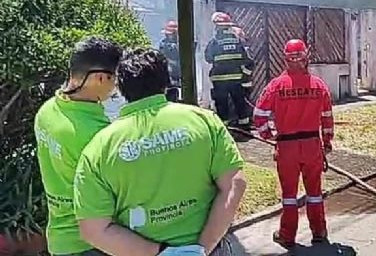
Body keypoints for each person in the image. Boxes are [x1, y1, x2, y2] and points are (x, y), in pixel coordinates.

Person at [74, 48, 247, 256]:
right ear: (166, 81)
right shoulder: (204, 121)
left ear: (120, 88)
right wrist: (201, 249)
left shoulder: (98, 148)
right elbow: (234, 184)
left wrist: (161, 253)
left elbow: (94, 230)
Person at [34, 37, 123, 256]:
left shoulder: (47, 111)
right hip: (94, 245)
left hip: (61, 240)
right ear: (101, 78)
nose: (116, 88)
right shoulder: (96, 133)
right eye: (116, 79)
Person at [252, 39, 334, 250]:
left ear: (285, 58)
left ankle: (287, 235)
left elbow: (259, 115)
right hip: (312, 145)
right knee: (314, 192)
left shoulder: (276, 86)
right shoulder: (318, 85)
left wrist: (268, 135)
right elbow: (327, 117)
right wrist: (326, 142)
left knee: (289, 195)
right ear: (306, 57)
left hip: (287, 147)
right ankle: (319, 231)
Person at [204, 12, 254, 131]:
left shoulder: (214, 42)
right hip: (237, 79)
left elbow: (208, 58)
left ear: (217, 26)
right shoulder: (238, 41)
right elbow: (249, 60)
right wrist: (245, 75)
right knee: (240, 102)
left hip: (219, 80)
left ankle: (224, 127)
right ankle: (244, 125)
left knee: (222, 104)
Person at [159, 20, 181, 102]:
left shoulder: (182, 42)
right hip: (168, 75)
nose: (168, 35)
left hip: (180, 76)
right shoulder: (163, 43)